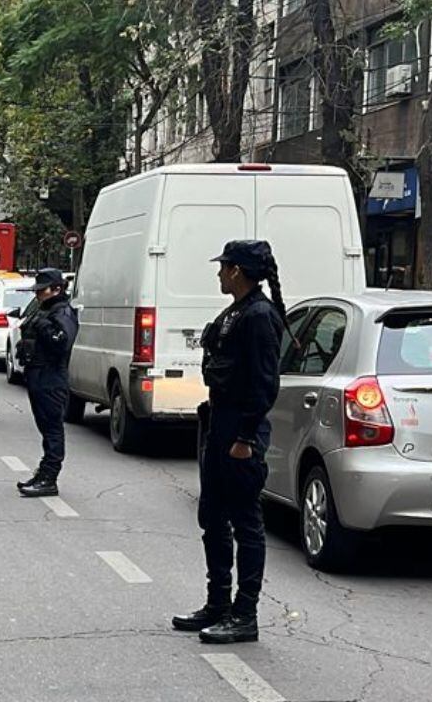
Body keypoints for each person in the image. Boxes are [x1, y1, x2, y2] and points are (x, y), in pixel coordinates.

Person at [171, 240, 287, 645]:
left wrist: (245, 436)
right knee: (212, 517)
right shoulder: (238, 311)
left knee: (246, 523)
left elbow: (264, 383)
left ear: (236, 270)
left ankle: (245, 614)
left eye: (223, 267)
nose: (218, 273)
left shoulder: (257, 315)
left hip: (241, 429)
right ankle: (217, 603)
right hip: (220, 423)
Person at [14, 269, 79, 498]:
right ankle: (43, 473)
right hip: (37, 374)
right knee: (45, 427)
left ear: (57, 289)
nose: (39, 294)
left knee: (52, 429)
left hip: (51, 376)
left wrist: (43, 327)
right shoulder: (45, 310)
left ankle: (49, 477)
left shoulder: (62, 312)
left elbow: (61, 343)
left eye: (43, 290)